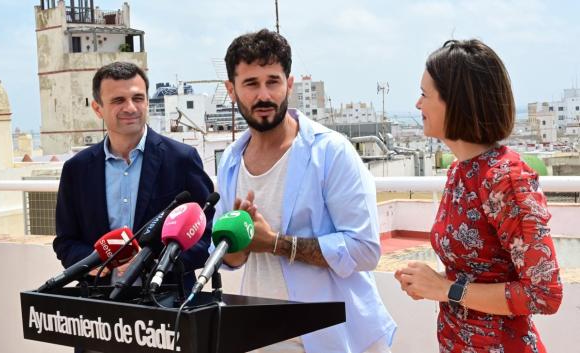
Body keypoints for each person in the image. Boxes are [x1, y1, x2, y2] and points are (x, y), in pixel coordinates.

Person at [214, 29, 396, 353]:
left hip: (333, 335)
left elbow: (365, 249)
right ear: (231, 90)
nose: (264, 95)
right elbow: (230, 258)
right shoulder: (230, 160)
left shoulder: (330, 152)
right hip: (260, 333)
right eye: (251, 84)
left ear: (290, 84)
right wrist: (239, 243)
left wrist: (274, 243)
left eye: (273, 81)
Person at [394, 39, 563, 352]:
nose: (418, 105)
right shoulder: (460, 172)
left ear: (454, 101)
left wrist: (446, 289)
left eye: (424, 94)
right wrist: (433, 284)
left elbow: (544, 293)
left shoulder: (507, 179)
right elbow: (480, 272)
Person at [53, 62, 213, 298]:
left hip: (167, 301)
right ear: (98, 108)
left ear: (147, 101)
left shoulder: (181, 160)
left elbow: (204, 236)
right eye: (118, 100)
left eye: (138, 98)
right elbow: (66, 241)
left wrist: (154, 263)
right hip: (100, 302)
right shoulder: (77, 170)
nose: (130, 107)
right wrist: (94, 263)